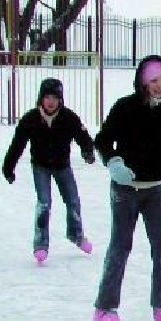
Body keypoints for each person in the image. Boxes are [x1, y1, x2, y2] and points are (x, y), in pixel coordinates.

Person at [92, 55, 161, 321]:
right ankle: (105, 307)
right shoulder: (126, 107)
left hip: (154, 190)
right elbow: (103, 140)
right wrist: (114, 162)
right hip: (125, 191)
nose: (159, 86)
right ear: (143, 82)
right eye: (154, 80)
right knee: (120, 247)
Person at [2, 78, 95, 264]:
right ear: (41, 99)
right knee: (44, 203)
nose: (51, 102)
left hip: (63, 166)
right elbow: (17, 145)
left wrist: (87, 151)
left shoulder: (68, 117)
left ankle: (76, 234)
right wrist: (8, 167)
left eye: (55, 97)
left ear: (60, 100)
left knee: (73, 200)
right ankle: (41, 244)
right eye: (47, 97)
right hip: (41, 167)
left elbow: (83, 136)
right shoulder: (31, 119)